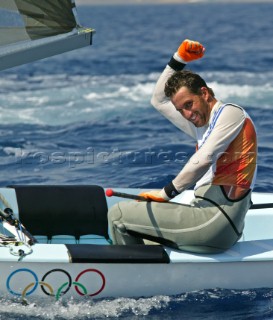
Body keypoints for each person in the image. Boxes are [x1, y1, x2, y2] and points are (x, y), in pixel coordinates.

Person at [107, 39, 257, 253]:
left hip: (217, 220)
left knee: (118, 215)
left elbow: (204, 158)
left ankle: (128, 278)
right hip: (207, 216)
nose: (187, 114)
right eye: (181, 110)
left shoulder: (231, 113)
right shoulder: (202, 126)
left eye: (189, 104)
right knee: (141, 233)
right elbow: (158, 101)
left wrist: (165, 193)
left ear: (204, 94)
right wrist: (178, 60)